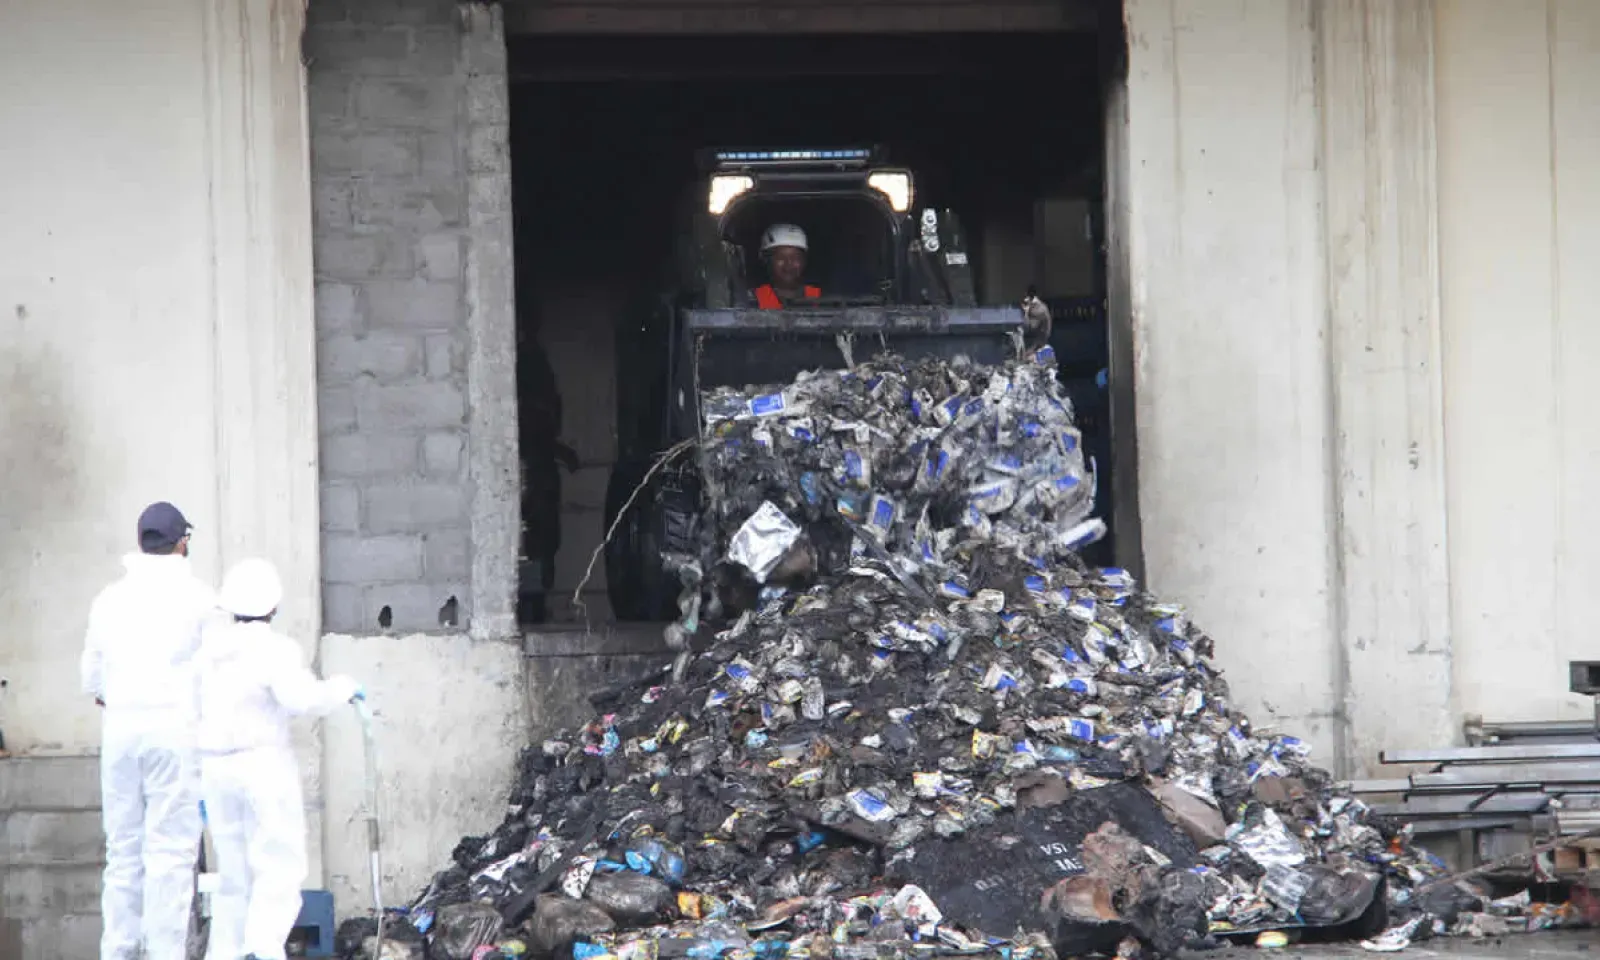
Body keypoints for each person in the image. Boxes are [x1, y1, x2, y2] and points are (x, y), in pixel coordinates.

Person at [195, 557, 362, 960]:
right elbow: (302, 699)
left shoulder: (208, 652)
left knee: (234, 875)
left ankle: (226, 954)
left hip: (214, 770)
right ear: (273, 606)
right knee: (280, 867)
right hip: (262, 768)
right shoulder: (274, 649)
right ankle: (263, 951)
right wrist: (343, 687)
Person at [81, 501, 216, 960]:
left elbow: (93, 683)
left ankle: (117, 952)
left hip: (120, 736)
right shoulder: (200, 598)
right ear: (182, 543)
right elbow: (217, 674)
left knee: (122, 854)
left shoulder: (108, 599)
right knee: (171, 856)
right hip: (174, 735)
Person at [753, 223, 821, 309]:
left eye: (796, 258)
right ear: (766, 260)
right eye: (781, 257)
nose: (789, 264)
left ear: (804, 261)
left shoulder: (820, 297)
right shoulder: (753, 299)